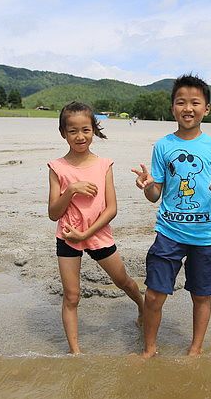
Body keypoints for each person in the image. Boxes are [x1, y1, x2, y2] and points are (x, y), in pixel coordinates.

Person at [132, 74, 211, 358]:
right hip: (169, 232)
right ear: (172, 108)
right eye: (181, 102)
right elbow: (155, 195)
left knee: (201, 295)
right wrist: (148, 185)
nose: (188, 108)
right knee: (153, 295)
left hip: (206, 235)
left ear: (206, 109)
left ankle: (195, 350)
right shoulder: (163, 145)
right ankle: (150, 350)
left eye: (195, 103)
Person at [48, 101, 144, 354]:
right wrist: (70, 190)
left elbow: (111, 209)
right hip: (68, 237)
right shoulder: (57, 168)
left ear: (94, 130)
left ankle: (143, 308)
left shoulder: (104, 165)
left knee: (123, 281)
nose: (80, 136)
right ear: (63, 133)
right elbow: (52, 213)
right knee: (71, 296)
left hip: (98, 234)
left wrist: (87, 233)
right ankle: (75, 352)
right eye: (73, 131)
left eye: (85, 130)